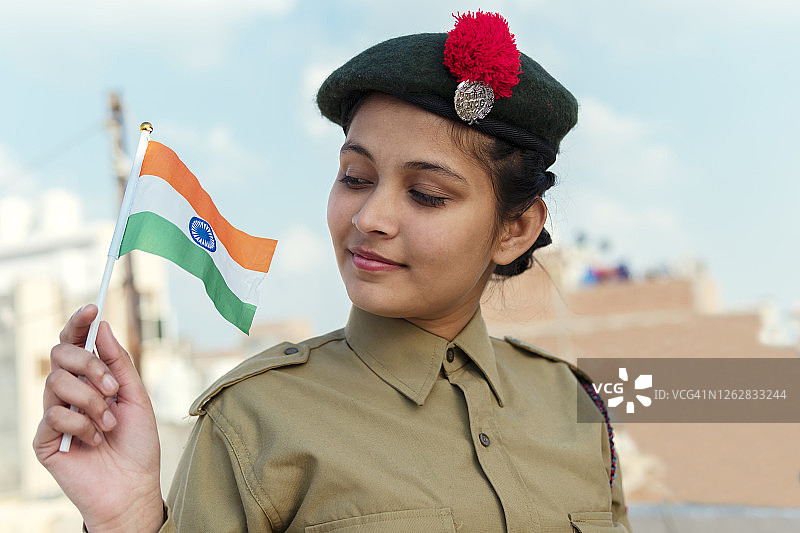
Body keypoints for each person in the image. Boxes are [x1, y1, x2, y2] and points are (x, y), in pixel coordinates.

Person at [34, 11, 632, 533]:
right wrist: (128, 519)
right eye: (355, 177)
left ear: (515, 230)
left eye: (426, 193)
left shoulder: (572, 403)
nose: (371, 217)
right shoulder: (256, 419)